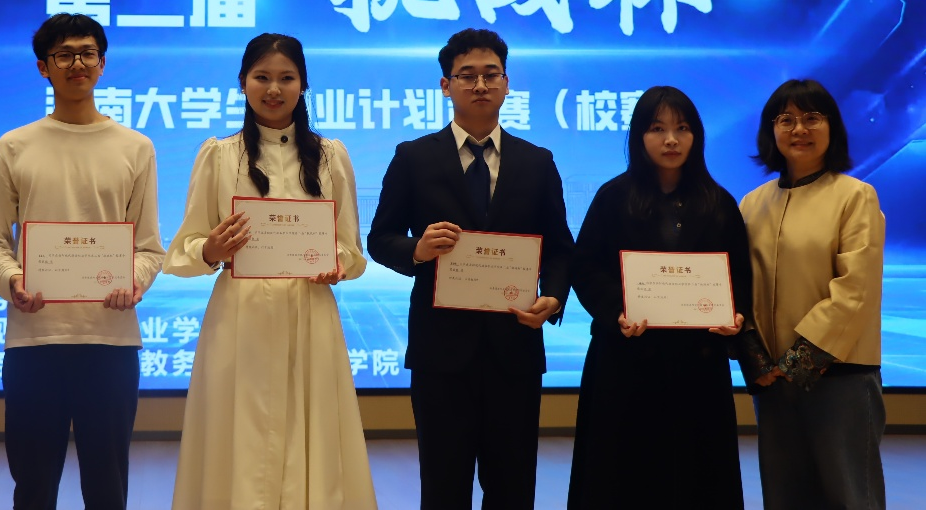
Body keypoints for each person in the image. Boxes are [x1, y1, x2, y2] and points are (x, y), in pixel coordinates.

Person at [164, 33, 376, 510]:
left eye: (287, 78)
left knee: (313, 432)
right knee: (238, 434)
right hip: (240, 317)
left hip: (311, 312)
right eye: (262, 77)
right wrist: (211, 249)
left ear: (303, 84)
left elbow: (351, 249)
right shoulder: (219, 154)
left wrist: (336, 265)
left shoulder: (330, 155)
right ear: (243, 83)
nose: (274, 89)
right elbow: (183, 249)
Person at [367, 27, 574, 510]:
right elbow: (380, 239)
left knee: (513, 485)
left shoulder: (537, 162)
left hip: (515, 349)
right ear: (446, 85)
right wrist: (418, 250)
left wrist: (553, 296)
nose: (480, 85)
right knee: (444, 486)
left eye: (490, 74)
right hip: (441, 352)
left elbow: (561, 249)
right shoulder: (413, 157)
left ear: (506, 83)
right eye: (467, 75)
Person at [0, 13, 165, 510]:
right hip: (34, 341)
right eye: (64, 54)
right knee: (33, 487)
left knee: (107, 488)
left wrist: (133, 281)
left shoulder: (136, 147)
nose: (77, 63)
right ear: (43, 66)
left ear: (102, 64)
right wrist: (14, 280)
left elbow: (149, 248)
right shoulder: (13, 146)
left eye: (87, 53)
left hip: (110, 341)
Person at [566, 86, 752, 510]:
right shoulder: (613, 197)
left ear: (696, 136)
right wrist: (617, 311)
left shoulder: (719, 202)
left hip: (698, 365)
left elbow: (739, 274)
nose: (671, 140)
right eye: (657, 128)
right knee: (622, 477)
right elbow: (585, 267)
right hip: (626, 359)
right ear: (638, 136)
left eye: (682, 128)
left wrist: (736, 314)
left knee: (698, 475)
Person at [740, 79, 886, 510]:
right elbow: (738, 285)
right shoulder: (751, 204)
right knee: (784, 496)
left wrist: (797, 361)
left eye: (811, 118)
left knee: (850, 497)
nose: (799, 129)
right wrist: (755, 357)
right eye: (786, 119)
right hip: (772, 381)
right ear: (771, 131)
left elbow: (855, 289)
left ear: (832, 127)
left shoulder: (855, 196)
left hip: (840, 375)